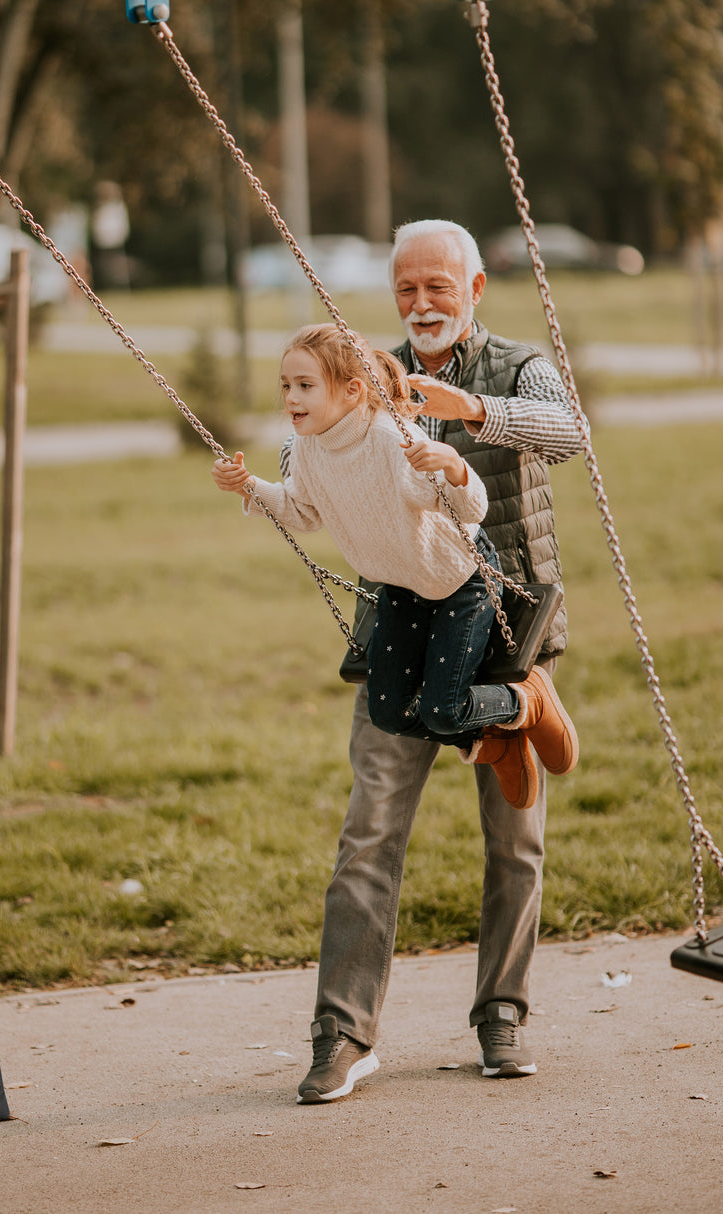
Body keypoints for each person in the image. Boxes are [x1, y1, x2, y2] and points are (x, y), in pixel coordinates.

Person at [286, 219, 588, 1103]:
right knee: (369, 833)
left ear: (476, 289)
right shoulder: (364, 374)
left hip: (507, 627)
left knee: (514, 837)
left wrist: (472, 412)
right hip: (401, 625)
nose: (421, 305)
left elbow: (569, 435)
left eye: (438, 289)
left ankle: (503, 1015)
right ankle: (342, 1034)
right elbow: (304, 446)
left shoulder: (518, 365)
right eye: (406, 290)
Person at [211, 324, 576, 795]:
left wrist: (453, 467)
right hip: (404, 588)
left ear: (352, 390)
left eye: (305, 385)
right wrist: (249, 486)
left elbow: (470, 511)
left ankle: (528, 702)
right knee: (387, 710)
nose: (291, 398)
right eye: (286, 385)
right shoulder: (306, 449)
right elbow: (302, 512)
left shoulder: (390, 441)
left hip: (460, 581)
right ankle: (492, 744)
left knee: (443, 710)